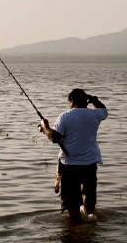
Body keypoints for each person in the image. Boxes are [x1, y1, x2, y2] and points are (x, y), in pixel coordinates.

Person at [40, 89, 108, 222]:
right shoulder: (95, 114)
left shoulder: (65, 116)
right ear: (85, 101)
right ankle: (90, 219)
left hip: (69, 166)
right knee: (89, 193)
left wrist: (45, 127)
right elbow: (104, 110)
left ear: (71, 101)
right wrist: (94, 100)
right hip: (90, 164)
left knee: (72, 206)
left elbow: (54, 138)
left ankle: (76, 226)